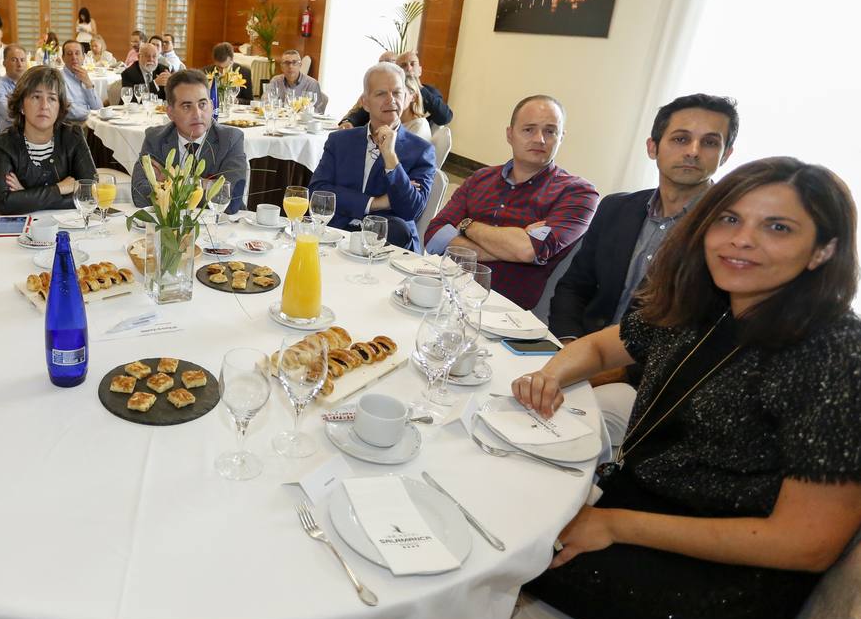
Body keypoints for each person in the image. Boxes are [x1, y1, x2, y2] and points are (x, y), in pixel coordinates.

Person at [511, 156, 861, 619]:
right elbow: (600, 349)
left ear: (823, 250)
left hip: (718, 580)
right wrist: (550, 375)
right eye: (729, 218)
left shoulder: (839, 357)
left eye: (778, 227)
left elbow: (804, 542)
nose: (742, 239)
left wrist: (615, 526)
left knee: (495, 553)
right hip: (635, 504)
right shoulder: (709, 306)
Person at [549, 94, 738, 443]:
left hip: (648, 387)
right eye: (681, 139)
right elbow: (574, 286)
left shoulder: (728, 236)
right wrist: (569, 345)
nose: (693, 151)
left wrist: (608, 372)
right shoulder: (617, 208)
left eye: (710, 142)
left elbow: (699, 338)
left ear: (725, 155)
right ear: (653, 147)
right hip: (580, 353)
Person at [424, 95, 600, 309]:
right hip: (446, 293)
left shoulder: (578, 193)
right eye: (529, 129)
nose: (540, 139)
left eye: (550, 131)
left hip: (506, 312)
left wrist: (467, 225)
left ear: (561, 137)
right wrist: (510, 247)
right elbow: (434, 236)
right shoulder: (480, 178)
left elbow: (527, 250)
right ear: (510, 134)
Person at [309, 62, 437, 251]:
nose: (391, 100)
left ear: (407, 98)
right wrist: (376, 203)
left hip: (390, 244)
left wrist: (391, 157)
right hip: (336, 234)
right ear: (365, 102)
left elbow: (411, 209)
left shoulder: (420, 150)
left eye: (397, 92)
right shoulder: (340, 141)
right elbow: (318, 193)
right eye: (381, 93)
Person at [130, 69, 249, 214]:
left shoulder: (230, 139)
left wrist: (171, 183)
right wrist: (205, 185)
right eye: (187, 106)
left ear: (211, 106)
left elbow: (231, 200)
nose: (197, 114)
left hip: (222, 229)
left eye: (202, 104)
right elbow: (140, 195)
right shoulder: (155, 138)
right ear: (170, 112)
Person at [0, 65, 96, 215]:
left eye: (52, 98)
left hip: (66, 228)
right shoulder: (3, 144)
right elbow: (3, 204)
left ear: (59, 108)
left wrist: (25, 196)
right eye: (36, 97)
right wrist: (59, 189)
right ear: (21, 106)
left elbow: (90, 193)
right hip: (17, 232)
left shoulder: (73, 137)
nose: (44, 106)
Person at [339, 50, 452, 139]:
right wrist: (349, 121)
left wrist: (418, 88)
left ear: (420, 70)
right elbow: (362, 112)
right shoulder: (383, 94)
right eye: (403, 65)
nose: (408, 68)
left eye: (413, 64)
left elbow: (445, 117)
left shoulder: (429, 93)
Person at [58, 40, 100, 121]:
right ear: (63, 58)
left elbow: (98, 107)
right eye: (69, 54)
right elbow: (70, 111)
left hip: (93, 122)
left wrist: (88, 84)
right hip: (73, 126)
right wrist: (94, 114)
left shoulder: (85, 76)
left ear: (83, 57)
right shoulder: (59, 78)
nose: (74, 57)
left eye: (77, 53)